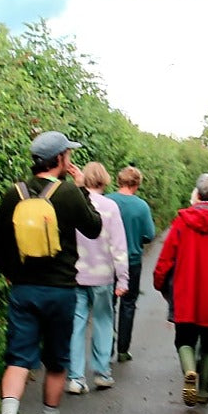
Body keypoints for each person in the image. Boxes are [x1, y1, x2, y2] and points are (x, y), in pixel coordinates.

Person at [0, 131, 102, 414]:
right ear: (61, 159)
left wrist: (11, 273)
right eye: (68, 155)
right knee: (56, 361)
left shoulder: (14, 194)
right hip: (61, 291)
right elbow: (94, 228)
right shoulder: (68, 193)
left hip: (24, 289)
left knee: (17, 359)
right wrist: (82, 187)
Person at [152, 173, 208, 407]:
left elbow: (166, 257)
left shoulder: (182, 222)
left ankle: (189, 370)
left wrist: (159, 280)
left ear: (197, 194)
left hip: (186, 294)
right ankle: (203, 392)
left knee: (184, 340)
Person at [66, 162, 129, 394]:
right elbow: (119, 246)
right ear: (104, 180)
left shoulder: (74, 204)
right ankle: (102, 373)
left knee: (76, 324)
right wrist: (123, 279)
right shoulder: (110, 206)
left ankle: (76, 378)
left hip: (76, 274)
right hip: (103, 276)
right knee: (103, 321)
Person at [106, 165, 156, 361]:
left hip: (108, 260)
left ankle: (106, 347)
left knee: (108, 305)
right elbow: (149, 235)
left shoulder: (107, 201)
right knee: (128, 304)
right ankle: (123, 350)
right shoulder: (141, 206)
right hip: (132, 261)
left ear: (119, 181)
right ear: (136, 184)